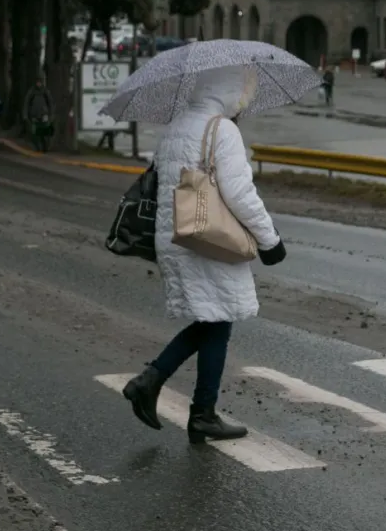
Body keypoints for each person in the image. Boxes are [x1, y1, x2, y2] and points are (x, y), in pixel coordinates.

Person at [121, 65, 287, 444]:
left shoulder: (177, 126)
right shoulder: (222, 130)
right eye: (243, 89)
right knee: (219, 317)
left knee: (214, 320)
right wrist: (269, 240)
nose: (245, 97)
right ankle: (194, 408)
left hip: (176, 238)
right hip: (207, 239)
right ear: (229, 90)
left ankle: (163, 388)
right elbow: (239, 194)